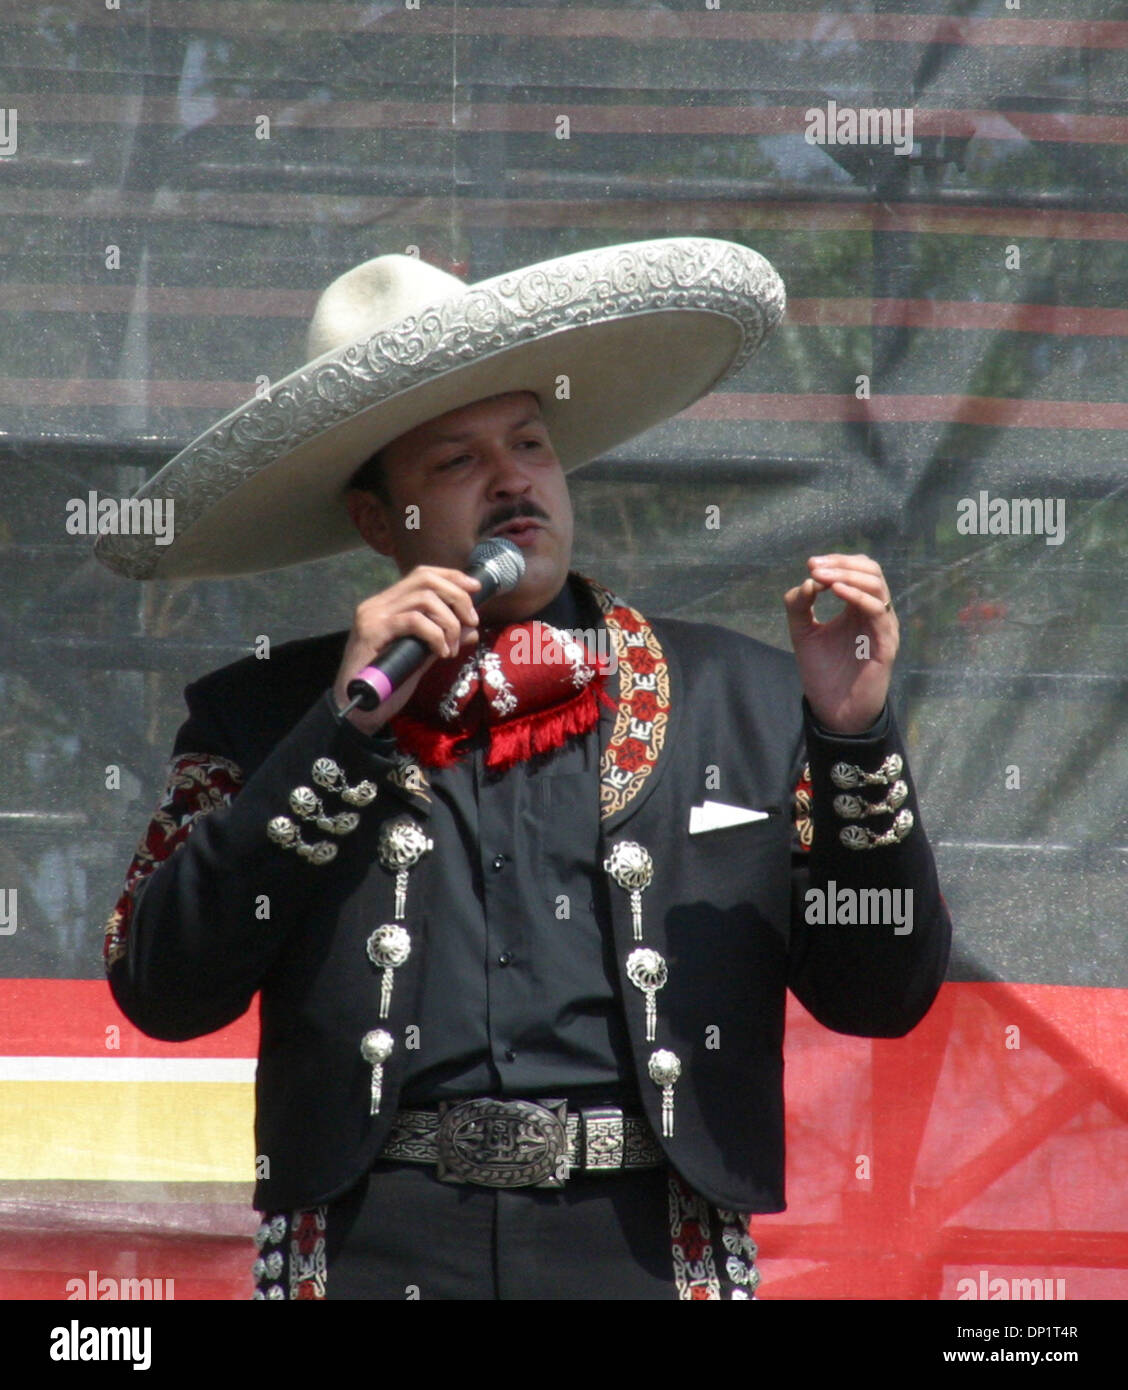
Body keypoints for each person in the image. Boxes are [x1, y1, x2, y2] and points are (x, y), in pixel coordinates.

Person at [98, 238, 951, 1300]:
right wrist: (339, 732)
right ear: (378, 519)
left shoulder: (750, 698)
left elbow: (883, 994)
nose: (511, 481)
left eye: (531, 445)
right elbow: (164, 987)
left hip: (641, 1250)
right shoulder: (267, 715)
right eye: (456, 462)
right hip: (375, 1253)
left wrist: (856, 735)